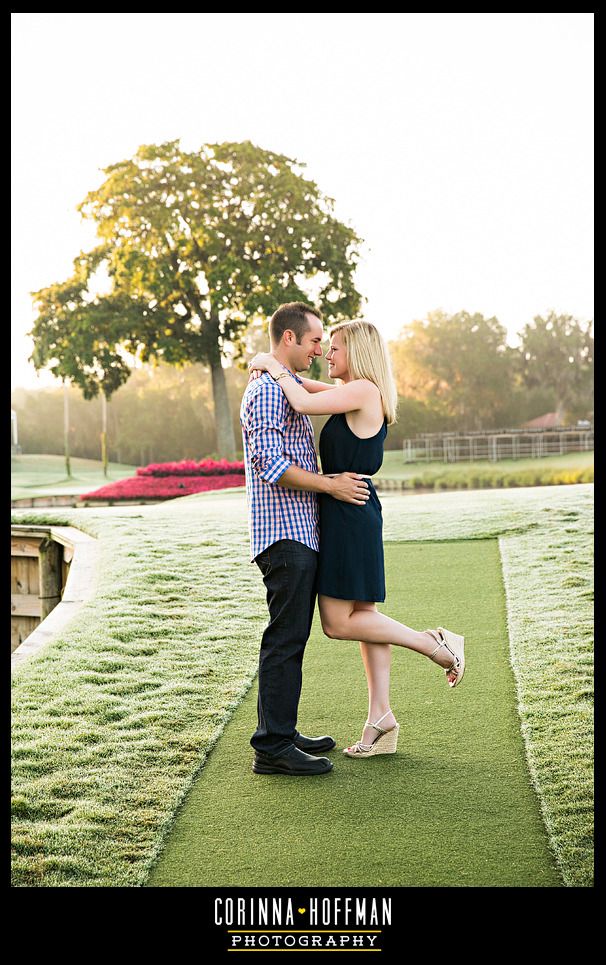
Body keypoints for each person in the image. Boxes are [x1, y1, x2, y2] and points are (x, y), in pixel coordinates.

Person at [249, 318, 465, 759]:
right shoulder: (352, 392)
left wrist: (273, 366)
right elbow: (303, 385)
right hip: (349, 509)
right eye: (323, 346)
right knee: (365, 616)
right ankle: (380, 719)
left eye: (335, 348)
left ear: (358, 353)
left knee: (337, 622)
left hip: (348, 511)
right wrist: (271, 363)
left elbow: (300, 399)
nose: (327, 354)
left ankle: (434, 644)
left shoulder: (364, 390)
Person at [240, 302, 372, 776]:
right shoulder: (266, 394)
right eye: (316, 340)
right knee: (285, 639)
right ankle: (272, 747)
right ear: (291, 339)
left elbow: (315, 395)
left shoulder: (284, 385)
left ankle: (281, 731)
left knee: (291, 637)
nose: (320, 350)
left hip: (299, 533)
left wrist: (270, 364)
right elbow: (271, 466)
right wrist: (332, 484)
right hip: (283, 537)